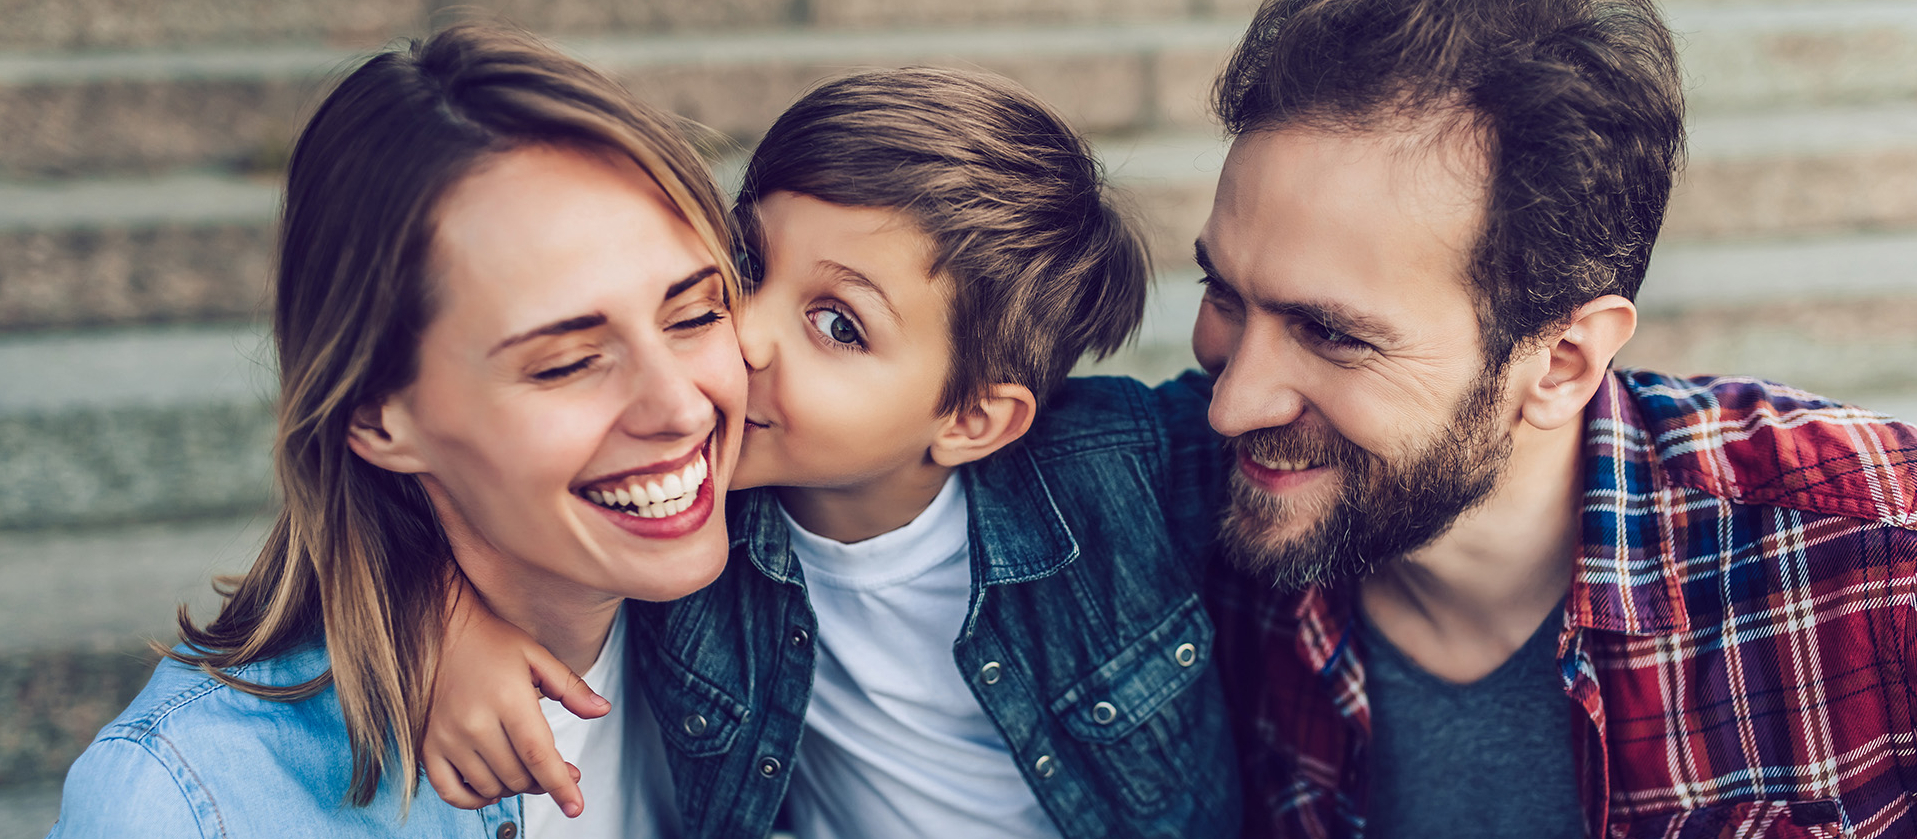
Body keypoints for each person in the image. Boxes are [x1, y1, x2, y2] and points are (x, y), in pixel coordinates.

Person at [425, 67, 1240, 838]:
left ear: (972, 419)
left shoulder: (1119, 466)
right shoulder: (684, 514)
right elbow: (457, 472)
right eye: (747, 263)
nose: (742, 331)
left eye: (837, 324)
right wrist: (447, 620)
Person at [1194, 0, 1917, 837]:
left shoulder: (1877, 568)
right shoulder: (1171, 524)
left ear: (1562, 360)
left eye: (1330, 333)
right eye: (1222, 292)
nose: (1230, 404)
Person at [48, 23, 746, 838]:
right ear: (376, 415)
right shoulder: (183, 801)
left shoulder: (781, 601)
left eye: (695, 313)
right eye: (566, 363)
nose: (681, 407)